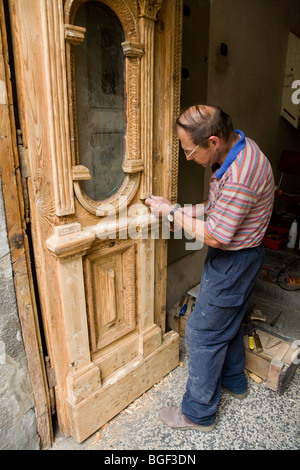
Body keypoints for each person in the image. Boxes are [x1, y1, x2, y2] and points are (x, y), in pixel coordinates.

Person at [145, 104, 274, 431]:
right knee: (227, 323)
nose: (188, 158)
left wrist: (174, 215)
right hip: (244, 257)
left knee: (202, 333)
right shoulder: (240, 146)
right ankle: (234, 381)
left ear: (213, 141)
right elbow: (217, 208)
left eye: (190, 151)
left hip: (234, 262)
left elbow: (217, 235)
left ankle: (197, 414)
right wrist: (179, 211)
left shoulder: (241, 175)